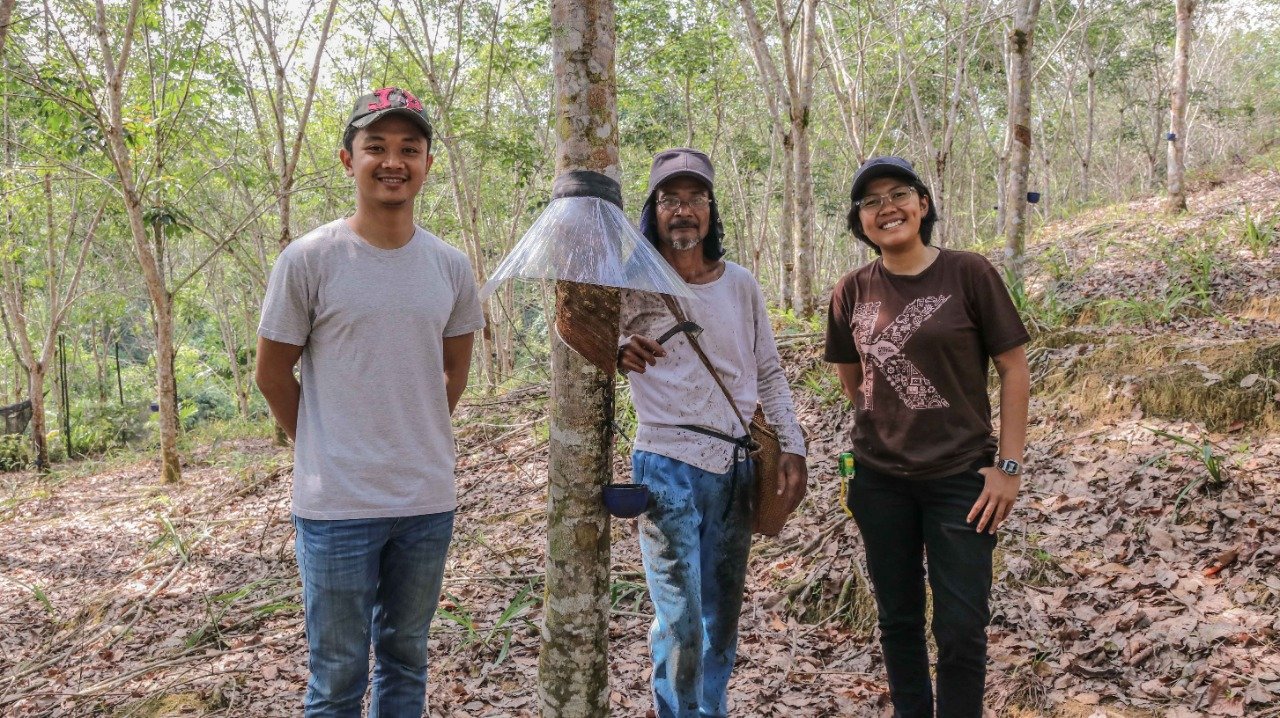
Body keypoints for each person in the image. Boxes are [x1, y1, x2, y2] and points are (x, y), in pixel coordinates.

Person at [255, 87, 484, 717]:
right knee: (336, 676)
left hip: (425, 502)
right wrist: (327, 445)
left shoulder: (450, 266)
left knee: (407, 659)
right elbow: (272, 374)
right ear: (346, 159)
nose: (393, 162)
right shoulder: (309, 260)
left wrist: (411, 435)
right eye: (375, 147)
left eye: (409, 149)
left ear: (427, 163)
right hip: (337, 508)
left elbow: (452, 374)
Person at [824, 156, 1031, 718]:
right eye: (870, 201)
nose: (886, 208)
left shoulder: (970, 273)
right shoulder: (850, 290)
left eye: (898, 195)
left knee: (962, 627)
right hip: (879, 482)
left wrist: (1008, 468)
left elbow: (1014, 368)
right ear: (860, 221)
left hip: (961, 480)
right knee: (899, 621)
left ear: (923, 204)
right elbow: (855, 379)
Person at [618, 147, 808, 718]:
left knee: (720, 614)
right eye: (669, 199)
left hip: (735, 465)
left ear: (710, 210)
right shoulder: (631, 286)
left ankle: (709, 708)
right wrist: (616, 349)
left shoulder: (740, 285)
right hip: (663, 464)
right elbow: (580, 343)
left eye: (694, 198)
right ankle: (678, 709)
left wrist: (792, 443)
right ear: (653, 211)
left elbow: (768, 371)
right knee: (679, 617)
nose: (682, 210)